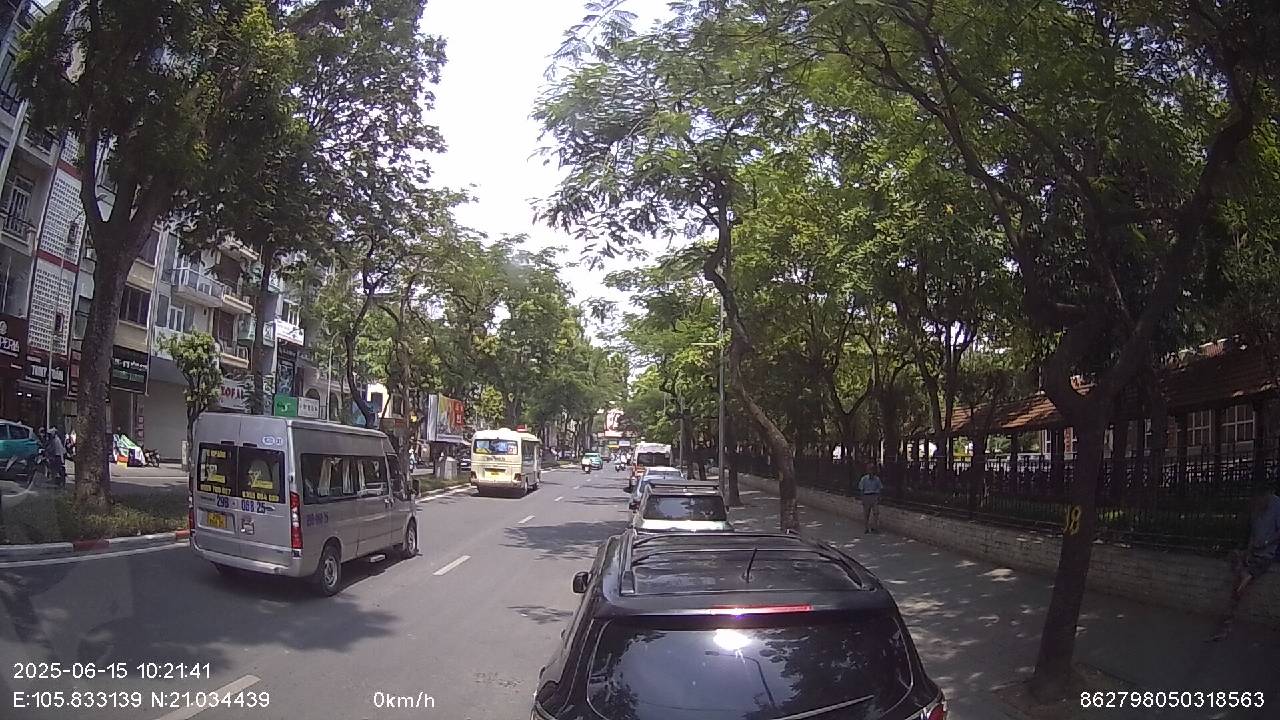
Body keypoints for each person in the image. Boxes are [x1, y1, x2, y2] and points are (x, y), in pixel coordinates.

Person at [1213, 484, 1280, 641]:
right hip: (1255, 550)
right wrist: (1248, 552)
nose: (1257, 505)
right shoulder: (1255, 508)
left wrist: (1266, 542)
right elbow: (1253, 534)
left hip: (1268, 553)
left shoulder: (1277, 505)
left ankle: (1231, 611)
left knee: (1245, 578)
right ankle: (1231, 609)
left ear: (1266, 496)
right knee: (1236, 559)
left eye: (1260, 501)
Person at [858, 464, 883, 534]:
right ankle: (866, 528)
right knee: (866, 513)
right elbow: (861, 489)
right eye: (869, 470)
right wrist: (862, 499)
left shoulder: (877, 479)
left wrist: (879, 497)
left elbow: (879, 488)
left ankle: (875, 527)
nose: (871, 471)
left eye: (872, 470)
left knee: (876, 513)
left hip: (874, 496)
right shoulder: (864, 479)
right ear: (867, 471)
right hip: (866, 496)